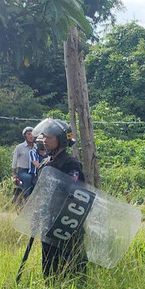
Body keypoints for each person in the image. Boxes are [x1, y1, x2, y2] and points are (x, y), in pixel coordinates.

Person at [32, 117, 88, 280]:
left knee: (71, 263)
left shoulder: (70, 163)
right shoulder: (46, 162)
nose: (45, 140)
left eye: (49, 137)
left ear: (61, 140)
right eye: (44, 136)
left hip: (67, 220)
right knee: (49, 263)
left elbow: (72, 191)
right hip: (49, 219)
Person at [11, 126, 41, 206]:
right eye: (29, 134)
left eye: (33, 134)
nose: (31, 136)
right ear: (25, 136)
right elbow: (14, 161)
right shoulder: (19, 147)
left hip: (35, 170)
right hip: (23, 171)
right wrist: (14, 174)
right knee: (28, 178)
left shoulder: (37, 147)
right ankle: (26, 199)